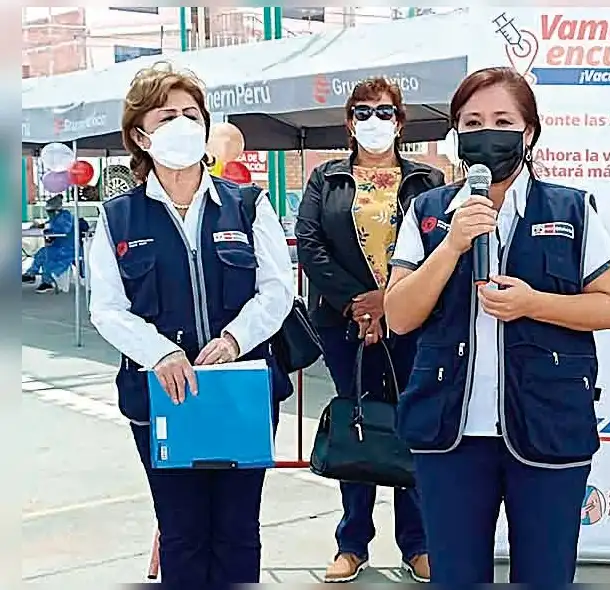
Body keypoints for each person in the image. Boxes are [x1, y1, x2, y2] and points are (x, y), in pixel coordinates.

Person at [384, 66, 610, 585]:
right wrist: (451, 244)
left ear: (529, 133)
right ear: (455, 135)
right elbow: (399, 316)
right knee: (456, 576)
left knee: (545, 574)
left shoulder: (571, 207)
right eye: (472, 121)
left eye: (501, 120)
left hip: (548, 424)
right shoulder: (427, 211)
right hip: (450, 432)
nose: (486, 132)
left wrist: (534, 303)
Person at [88, 62, 294, 586]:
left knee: (237, 528)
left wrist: (233, 339)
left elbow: (277, 290)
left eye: (191, 113)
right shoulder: (118, 217)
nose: (182, 123)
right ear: (140, 133)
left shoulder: (248, 205)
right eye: (167, 115)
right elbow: (108, 308)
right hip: (161, 394)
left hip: (240, 391)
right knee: (180, 530)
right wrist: (158, 351)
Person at [295, 76, 444, 584]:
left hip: (412, 319)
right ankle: (352, 542)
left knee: (410, 424)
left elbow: (438, 249)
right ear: (349, 122)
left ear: (400, 122)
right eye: (363, 111)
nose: (373, 121)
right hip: (345, 323)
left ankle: (418, 543)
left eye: (385, 112)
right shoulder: (326, 178)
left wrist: (392, 302)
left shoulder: (427, 180)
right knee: (357, 423)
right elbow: (310, 244)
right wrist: (360, 304)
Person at [22, 195, 82, 293]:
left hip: (68, 248)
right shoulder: (57, 217)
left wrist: (48, 228)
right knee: (42, 253)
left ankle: (47, 281)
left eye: (50, 211)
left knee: (48, 255)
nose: (49, 214)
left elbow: (63, 229)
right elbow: (50, 224)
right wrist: (40, 226)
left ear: (56, 210)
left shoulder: (65, 216)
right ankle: (31, 274)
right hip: (59, 246)